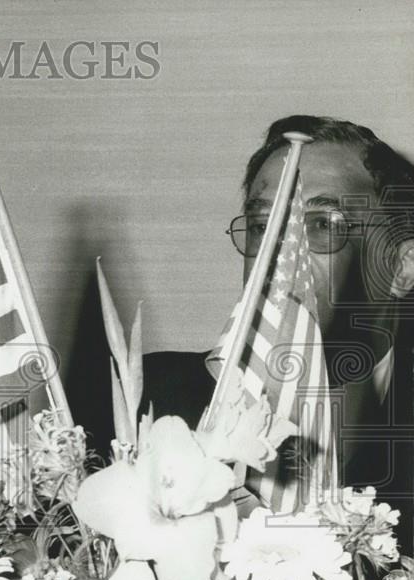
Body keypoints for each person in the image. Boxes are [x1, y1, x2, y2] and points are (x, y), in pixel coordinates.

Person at [140, 115, 414, 553]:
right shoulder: (145, 400)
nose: (280, 256)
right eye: (261, 227)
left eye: (322, 224)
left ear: (401, 266)